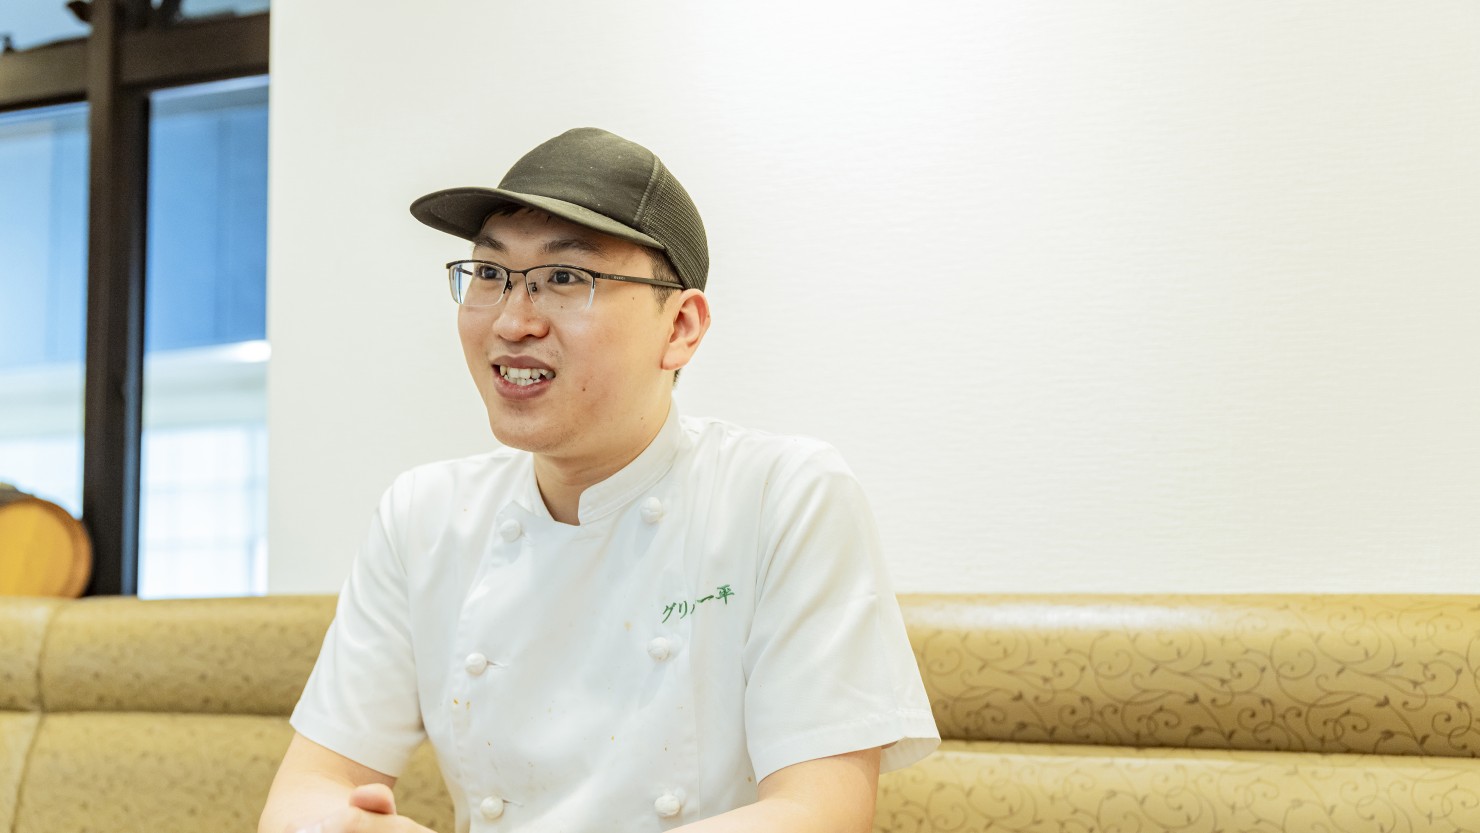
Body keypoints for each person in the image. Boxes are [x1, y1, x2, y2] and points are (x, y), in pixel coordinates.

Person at [259, 127, 939, 833]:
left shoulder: (782, 495)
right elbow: (309, 789)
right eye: (489, 273)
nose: (513, 321)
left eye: (565, 278)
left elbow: (821, 813)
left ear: (681, 327)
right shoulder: (425, 515)